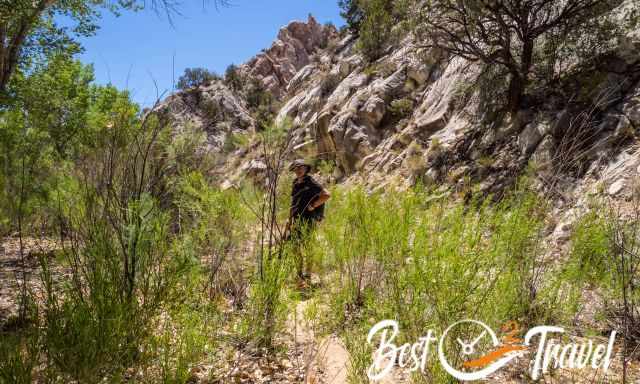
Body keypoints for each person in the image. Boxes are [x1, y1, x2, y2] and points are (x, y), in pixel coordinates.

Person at [285, 159, 330, 280]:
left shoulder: (310, 182)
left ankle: (308, 274)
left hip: (308, 220)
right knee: (294, 246)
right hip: (296, 219)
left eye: (301, 167)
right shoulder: (295, 183)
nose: (298, 170)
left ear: (306, 168)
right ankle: (299, 273)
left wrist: (313, 206)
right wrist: (289, 219)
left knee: (308, 246)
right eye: (296, 168)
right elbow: (293, 202)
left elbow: (326, 195)